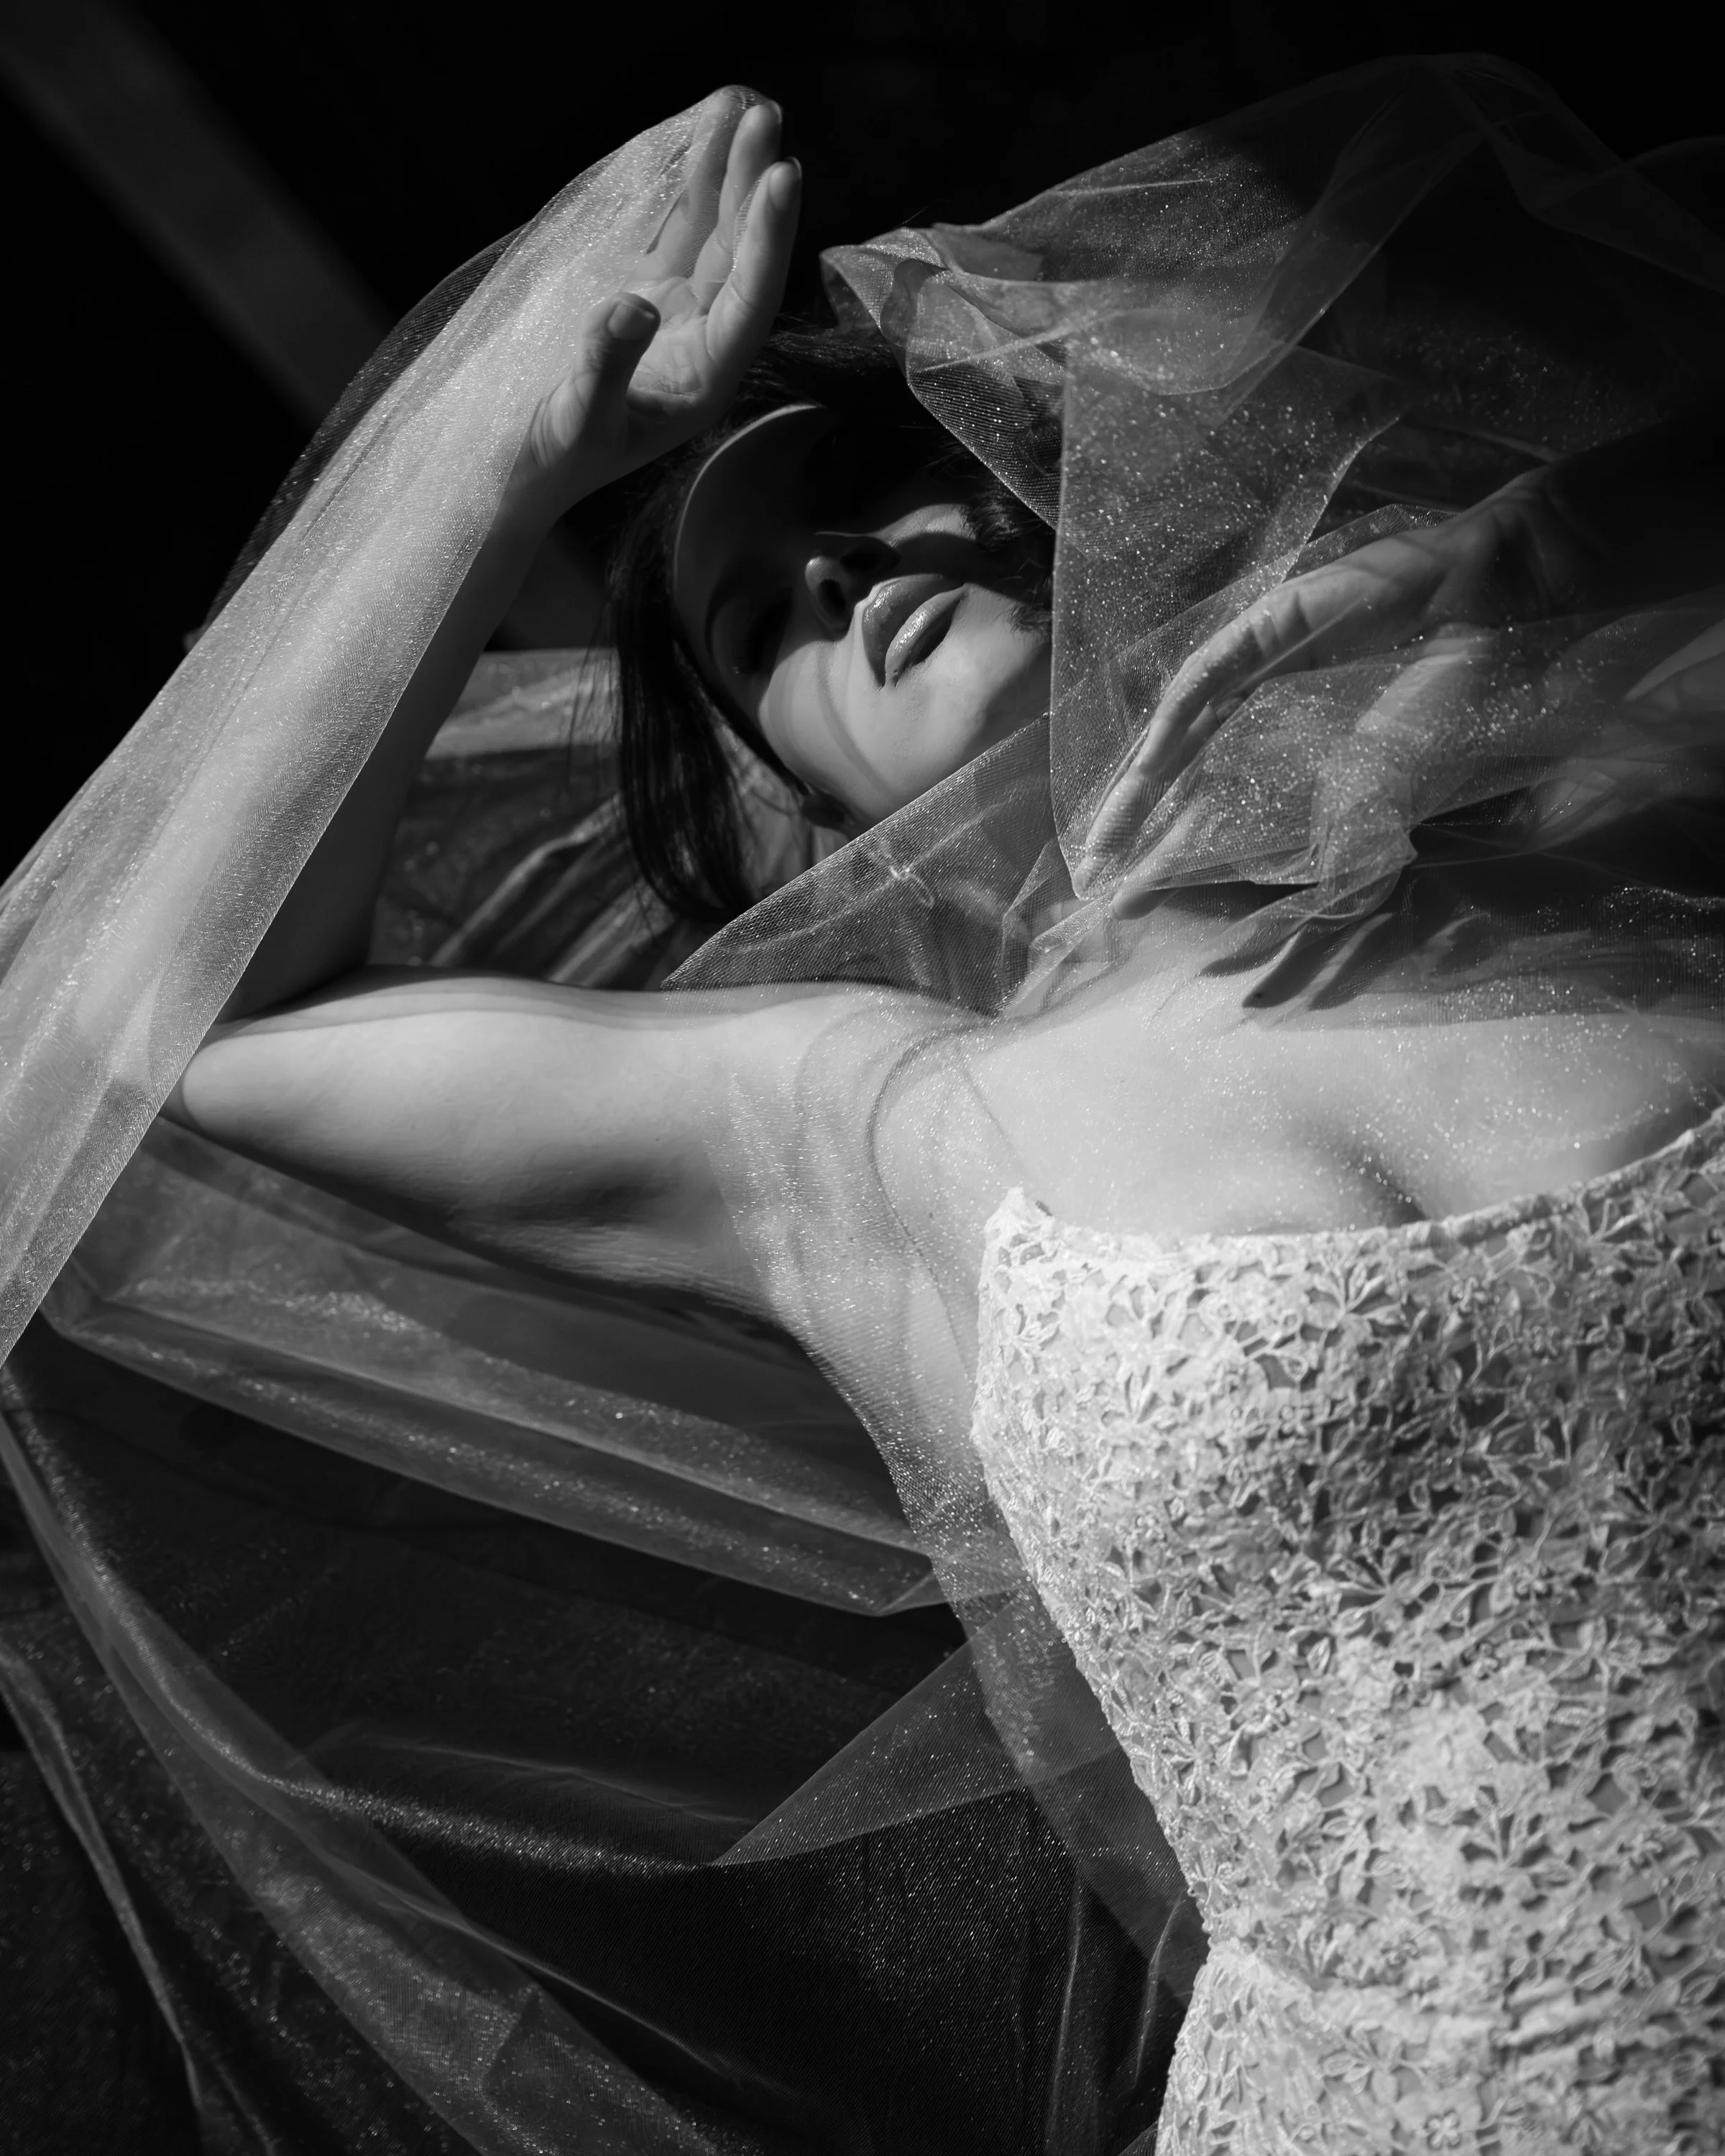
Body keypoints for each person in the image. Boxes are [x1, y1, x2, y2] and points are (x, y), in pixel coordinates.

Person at [6, 60, 1725, 2151]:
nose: (839, 571)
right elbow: (175, 1025)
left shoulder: (1626, 808)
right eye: (760, 621)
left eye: (874, 484)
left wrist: (1550, 545)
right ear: (809, 807)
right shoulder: (861, 1130)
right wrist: (518, 455)